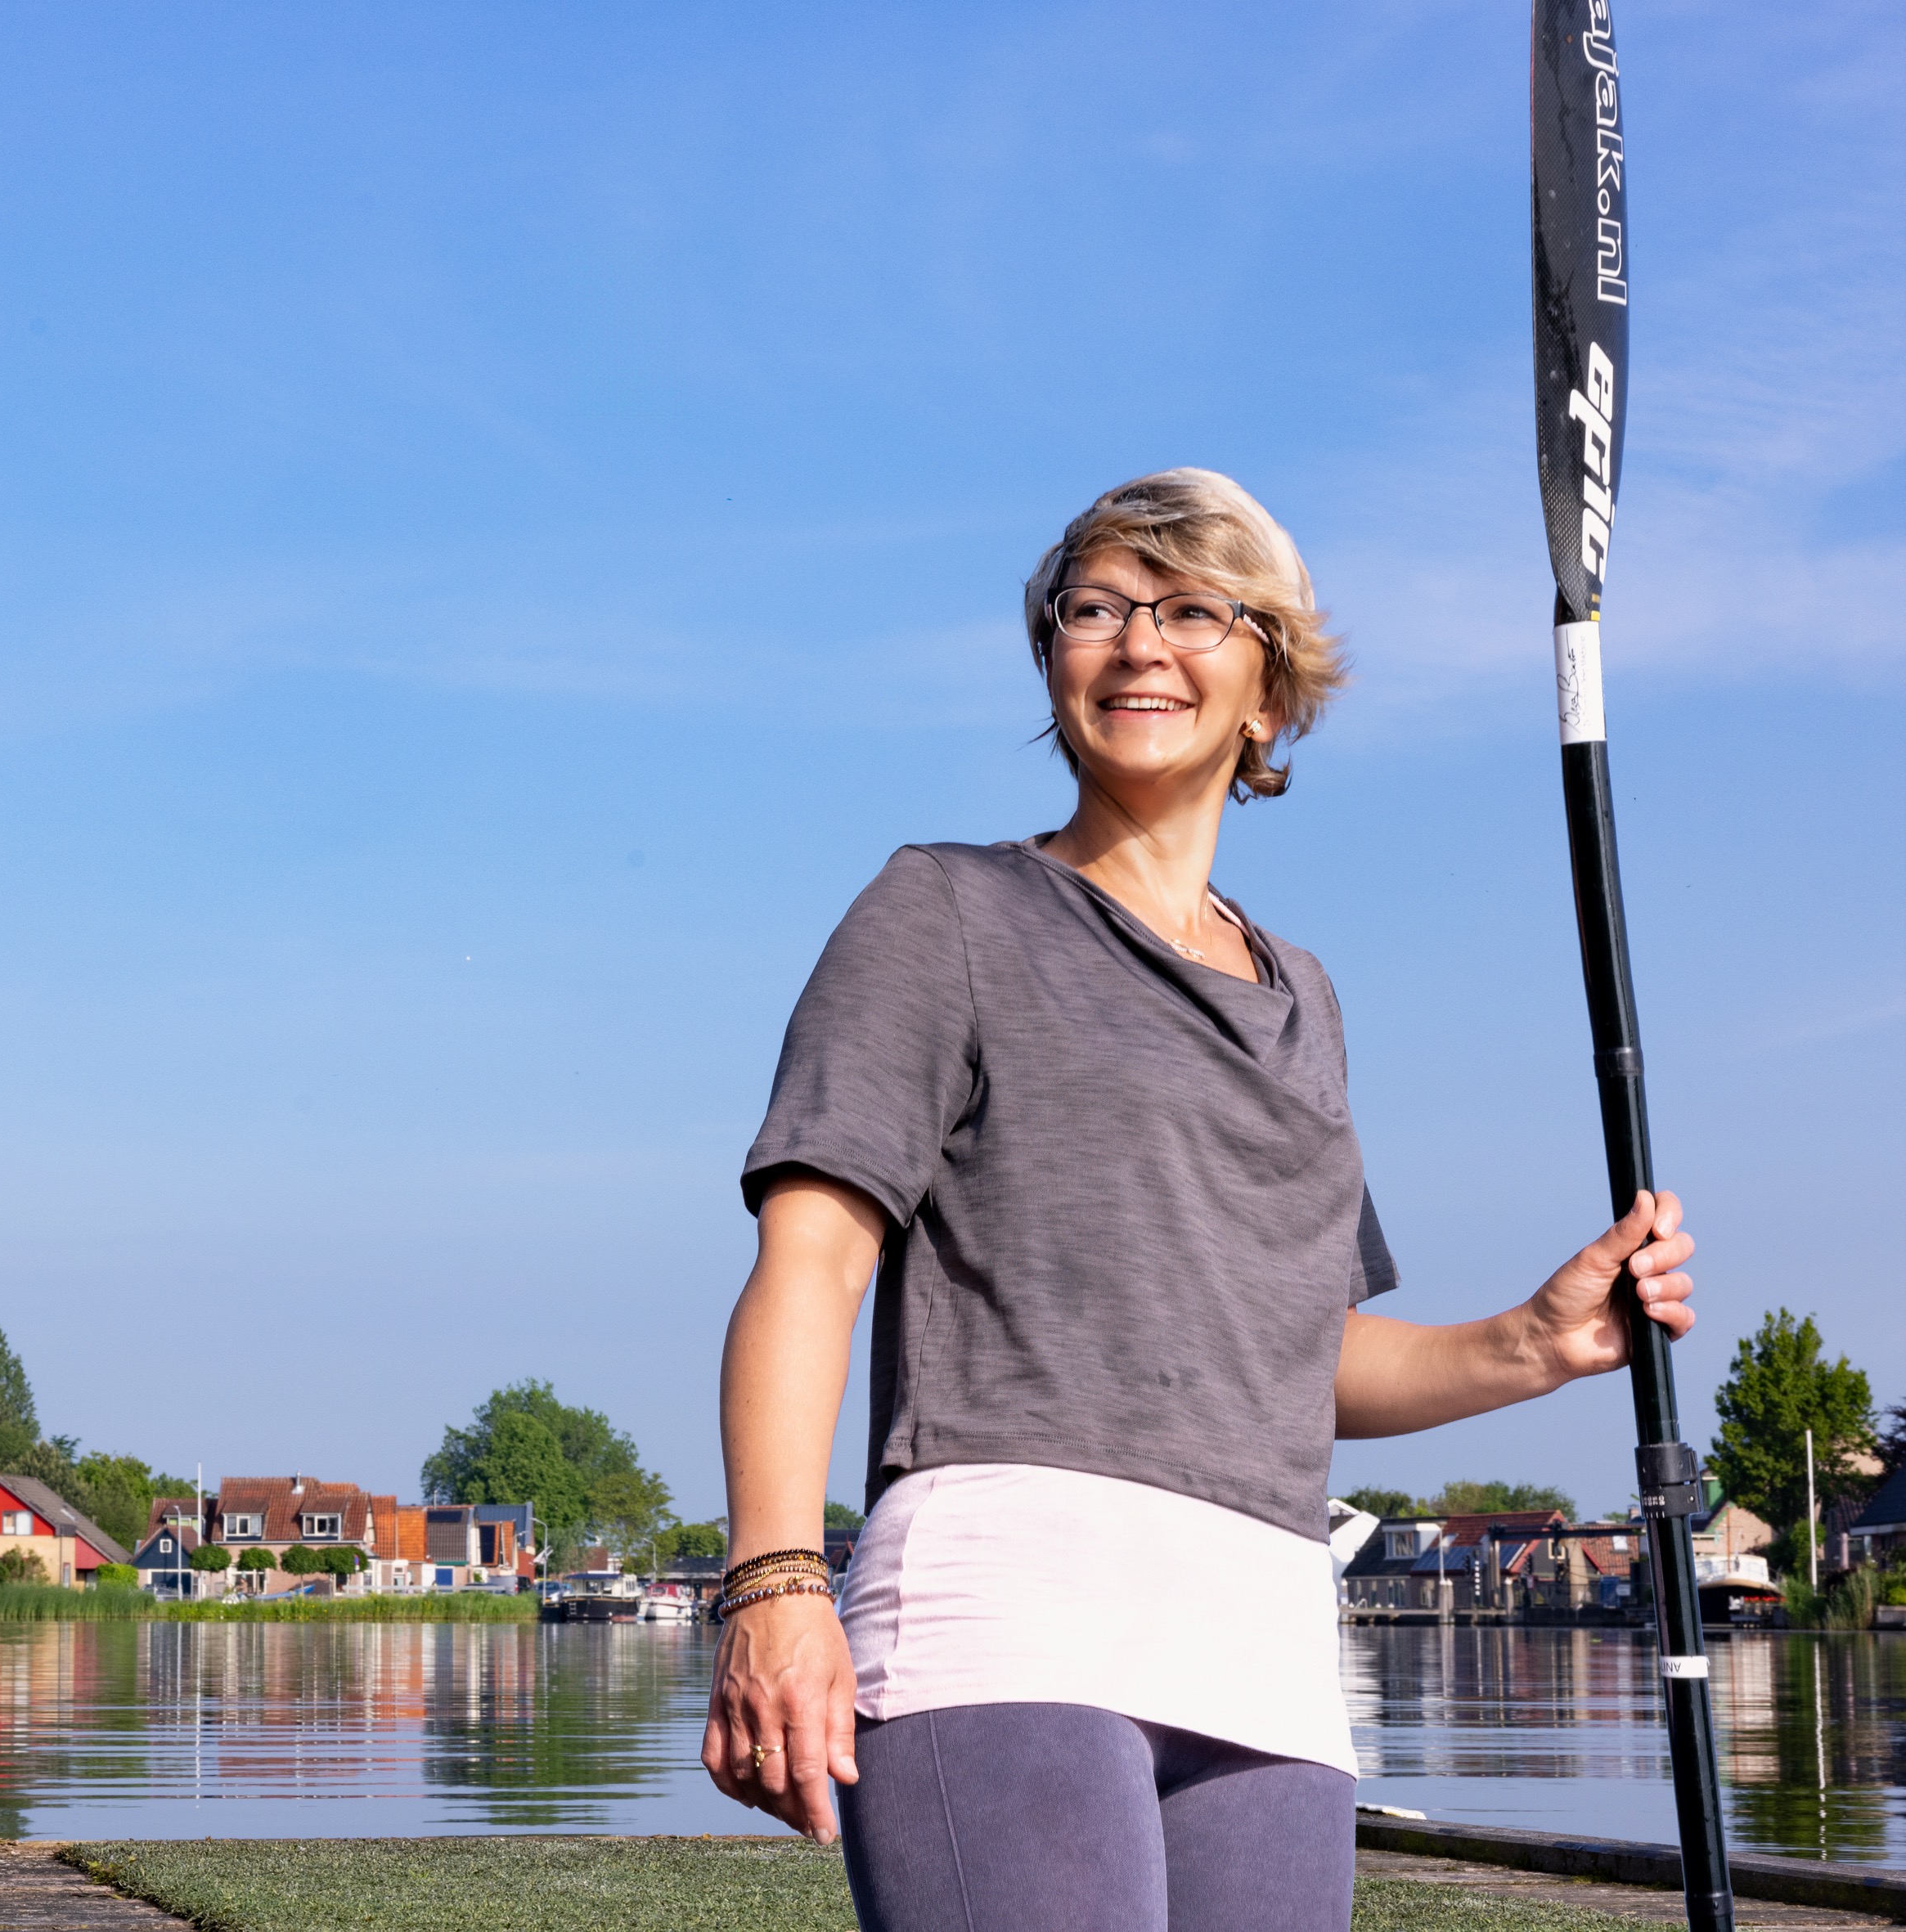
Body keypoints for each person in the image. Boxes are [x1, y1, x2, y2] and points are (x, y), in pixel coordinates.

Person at [702, 470, 1698, 1932]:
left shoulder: (1308, 997)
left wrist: (1530, 1342)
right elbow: (813, 1264)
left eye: (1190, 610)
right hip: (1008, 1601)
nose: (1137, 643)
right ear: (1054, 663)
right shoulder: (947, 909)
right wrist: (775, 1580)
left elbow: (1296, 1356)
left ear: (1270, 691)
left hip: (1262, 1635)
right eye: (1095, 608)